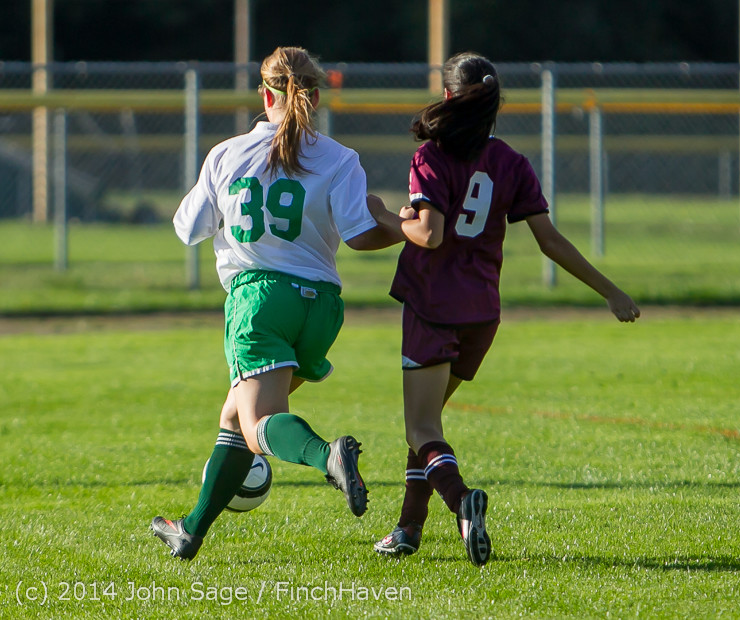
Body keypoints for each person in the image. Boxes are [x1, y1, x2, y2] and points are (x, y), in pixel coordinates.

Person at [373, 52, 640, 567]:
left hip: (433, 306)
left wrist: (386, 216)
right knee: (428, 424)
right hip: (481, 313)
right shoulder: (511, 162)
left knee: (420, 428)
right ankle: (407, 528)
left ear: (447, 96)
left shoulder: (432, 155)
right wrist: (610, 291)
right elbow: (550, 241)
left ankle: (462, 503)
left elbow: (429, 234)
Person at [150, 46, 404, 561]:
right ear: (316, 98)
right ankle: (190, 530)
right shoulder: (340, 157)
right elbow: (360, 237)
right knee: (234, 418)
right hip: (322, 308)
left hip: (261, 301)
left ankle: (327, 455)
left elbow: (188, 229)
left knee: (257, 423)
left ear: (265, 95)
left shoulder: (227, 154)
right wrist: (407, 230)